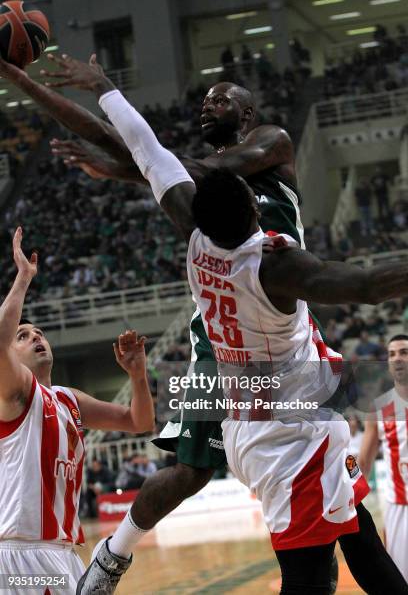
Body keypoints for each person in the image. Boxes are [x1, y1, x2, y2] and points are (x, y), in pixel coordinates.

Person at [1, 55, 406, 594]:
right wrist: (120, 142)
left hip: (269, 387)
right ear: (252, 212)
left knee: (356, 533)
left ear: (248, 111)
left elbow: (147, 150)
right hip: (280, 395)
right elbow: (364, 285)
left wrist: (76, 98)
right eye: (205, 98)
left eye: (221, 98)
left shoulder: (232, 182)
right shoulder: (276, 262)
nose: (208, 104)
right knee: (236, 500)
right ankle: (114, 554)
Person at [0, 228, 155, 594]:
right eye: (23, 336)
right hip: (20, 551)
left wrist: (137, 376)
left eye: (39, 332)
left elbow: (140, 421)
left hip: (64, 552)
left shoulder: (68, 399)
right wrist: (24, 278)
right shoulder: (17, 392)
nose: (36, 336)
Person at [359, 334, 408, 582]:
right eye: (392, 354)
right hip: (399, 509)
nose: (397, 358)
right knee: (401, 580)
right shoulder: (378, 408)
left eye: (403, 352)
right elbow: (364, 463)